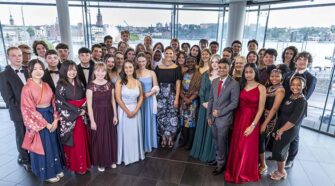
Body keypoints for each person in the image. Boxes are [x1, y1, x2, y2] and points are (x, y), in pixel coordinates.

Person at [21, 59, 64, 182]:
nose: (38, 71)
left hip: (50, 115)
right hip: (39, 120)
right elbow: (28, 109)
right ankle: (47, 173)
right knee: (44, 146)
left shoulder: (46, 85)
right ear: (30, 70)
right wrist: (45, 124)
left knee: (53, 144)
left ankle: (56, 168)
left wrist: (56, 119)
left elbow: (53, 102)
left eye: (40, 68)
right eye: (35, 69)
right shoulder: (27, 88)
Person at [224, 63, 266, 183]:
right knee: (237, 145)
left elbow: (261, 109)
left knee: (246, 146)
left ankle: (243, 172)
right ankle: (234, 169)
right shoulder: (240, 85)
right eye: (246, 72)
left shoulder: (261, 87)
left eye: (250, 72)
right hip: (239, 118)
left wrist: (253, 126)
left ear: (255, 73)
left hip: (252, 120)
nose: (248, 74)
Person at [55, 60, 91, 174]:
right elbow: (60, 103)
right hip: (71, 118)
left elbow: (85, 98)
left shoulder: (79, 82)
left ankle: (84, 164)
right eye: (69, 70)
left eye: (74, 69)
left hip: (81, 116)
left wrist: (83, 109)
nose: (72, 72)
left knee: (82, 140)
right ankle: (77, 166)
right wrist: (77, 111)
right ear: (64, 71)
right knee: (75, 142)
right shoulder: (61, 85)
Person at [282, 51, 316, 168]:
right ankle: (280, 155)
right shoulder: (289, 73)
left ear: (308, 62)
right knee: (283, 131)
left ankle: (290, 159)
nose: (301, 61)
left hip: (297, 110)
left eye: (305, 60)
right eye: (299, 59)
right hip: (285, 107)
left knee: (294, 135)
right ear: (295, 61)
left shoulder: (311, 78)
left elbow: (306, 97)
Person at [270, 76, 307, 180]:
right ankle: (279, 170)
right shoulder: (291, 96)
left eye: (298, 85)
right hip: (282, 126)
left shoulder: (302, 101)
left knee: (281, 150)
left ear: (303, 86)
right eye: (293, 84)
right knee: (279, 148)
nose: (295, 87)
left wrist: (281, 130)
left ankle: (282, 172)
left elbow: (293, 121)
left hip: (289, 129)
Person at [207, 58, 240, 176]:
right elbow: (211, 99)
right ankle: (218, 159)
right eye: (220, 67)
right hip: (213, 118)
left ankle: (221, 164)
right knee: (215, 140)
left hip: (224, 119)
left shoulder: (234, 84)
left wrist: (220, 112)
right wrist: (209, 116)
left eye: (224, 67)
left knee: (221, 141)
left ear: (229, 68)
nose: (221, 69)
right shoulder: (215, 81)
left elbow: (234, 103)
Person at [0, 47, 30, 171]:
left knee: (32, 135)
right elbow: (8, 99)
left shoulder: (27, 71)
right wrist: (24, 111)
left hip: (33, 111)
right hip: (18, 112)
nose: (18, 58)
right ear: (8, 57)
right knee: (21, 135)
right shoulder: (4, 75)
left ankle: (33, 155)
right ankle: (25, 160)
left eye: (19, 55)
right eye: (14, 56)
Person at [86, 62, 118, 172]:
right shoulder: (91, 86)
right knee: (100, 138)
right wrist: (92, 121)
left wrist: (115, 115)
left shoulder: (110, 84)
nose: (100, 73)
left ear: (105, 72)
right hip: (97, 114)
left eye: (103, 71)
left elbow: (113, 101)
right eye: (98, 71)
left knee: (110, 137)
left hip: (109, 113)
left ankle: (111, 160)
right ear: (94, 72)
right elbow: (89, 105)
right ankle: (101, 162)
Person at [191, 54, 220, 163]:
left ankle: (211, 154)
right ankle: (200, 151)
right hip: (205, 106)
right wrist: (203, 102)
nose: (215, 64)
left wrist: (215, 105)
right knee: (203, 128)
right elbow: (201, 91)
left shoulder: (223, 76)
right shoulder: (205, 75)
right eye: (213, 62)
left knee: (212, 130)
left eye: (217, 62)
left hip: (216, 107)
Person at [115, 60, 145, 165]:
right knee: (125, 134)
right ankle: (125, 156)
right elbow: (118, 99)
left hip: (136, 109)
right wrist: (128, 111)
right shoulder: (119, 82)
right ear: (123, 69)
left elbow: (141, 96)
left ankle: (136, 155)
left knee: (134, 134)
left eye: (130, 67)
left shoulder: (138, 82)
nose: (128, 69)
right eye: (126, 67)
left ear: (133, 68)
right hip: (124, 111)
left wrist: (136, 110)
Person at [259, 68, 285, 175]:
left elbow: (274, 108)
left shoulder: (280, 90)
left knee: (261, 140)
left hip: (270, 118)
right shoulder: (269, 87)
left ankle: (263, 165)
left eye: (277, 76)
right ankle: (259, 162)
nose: (274, 78)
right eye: (272, 76)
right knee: (261, 140)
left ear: (281, 77)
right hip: (262, 115)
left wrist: (265, 123)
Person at [155, 46, 182, 148]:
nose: (169, 55)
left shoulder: (176, 68)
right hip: (161, 95)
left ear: (174, 55)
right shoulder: (158, 67)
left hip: (172, 95)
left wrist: (176, 99)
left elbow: (178, 84)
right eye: (167, 53)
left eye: (171, 53)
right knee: (161, 116)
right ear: (164, 54)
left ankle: (170, 137)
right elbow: (156, 83)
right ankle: (163, 137)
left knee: (172, 116)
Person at [136, 53, 159, 152]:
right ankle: (139, 144)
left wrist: (149, 94)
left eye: (143, 61)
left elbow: (156, 87)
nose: (141, 63)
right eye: (139, 61)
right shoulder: (134, 72)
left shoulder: (151, 72)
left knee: (148, 120)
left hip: (148, 100)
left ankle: (148, 143)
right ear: (137, 61)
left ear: (147, 61)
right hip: (138, 100)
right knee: (138, 121)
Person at [179, 57, 202, 150]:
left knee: (191, 123)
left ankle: (190, 143)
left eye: (192, 61)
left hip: (192, 103)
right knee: (183, 122)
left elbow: (198, 90)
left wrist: (189, 100)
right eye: (188, 61)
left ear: (196, 62)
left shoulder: (199, 75)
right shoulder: (184, 73)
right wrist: (184, 99)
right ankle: (184, 141)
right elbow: (179, 87)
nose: (190, 63)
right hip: (183, 101)